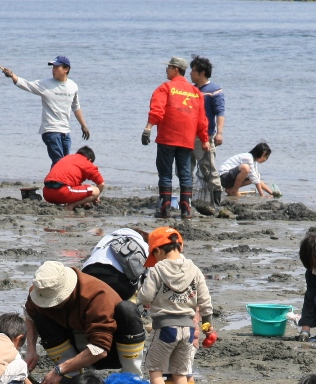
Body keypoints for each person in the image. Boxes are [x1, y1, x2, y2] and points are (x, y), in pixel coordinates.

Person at [25, 262, 147, 384]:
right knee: (40, 316)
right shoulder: (41, 290)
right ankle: (71, 375)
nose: (50, 304)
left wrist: (59, 370)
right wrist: (31, 349)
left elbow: (99, 349)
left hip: (112, 350)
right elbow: (30, 314)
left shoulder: (96, 296)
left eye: (54, 301)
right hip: (77, 343)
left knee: (128, 309)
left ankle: (131, 376)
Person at [136, 227, 214, 384]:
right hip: (188, 328)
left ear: (157, 250)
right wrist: (207, 325)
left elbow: (145, 296)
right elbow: (205, 300)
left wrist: (147, 298)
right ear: (179, 246)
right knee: (181, 372)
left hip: (165, 327)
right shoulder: (194, 269)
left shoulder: (157, 270)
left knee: (155, 369)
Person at [142, 56, 210, 219]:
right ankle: (185, 210)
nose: (166, 70)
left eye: (169, 67)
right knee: (185, 173)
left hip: (167, 138)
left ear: (176, 70)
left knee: (165, 173)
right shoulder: (196, 93)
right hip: (186, 140)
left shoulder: (165, 88)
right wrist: (205, 139)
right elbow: (202, 120)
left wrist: (148, 127)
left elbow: (158, 110)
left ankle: (165, 209)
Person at [1, 55, 90, 166]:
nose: (53, 70)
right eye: (53, 67)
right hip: (51, 130)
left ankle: (54, 183)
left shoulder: (73, 86)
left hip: (65, 131)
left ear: (66, 69)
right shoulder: (45, 84)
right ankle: (56, 183)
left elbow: (76, 106)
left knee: (65, 163)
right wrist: (12, 75)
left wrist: (83, 125)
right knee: (59, 162)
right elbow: (26, 85)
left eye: (57, 67)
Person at [189, 56, 225, 207]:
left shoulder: (214, 90)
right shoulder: (191, 89)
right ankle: (188, 201)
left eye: (193, 71)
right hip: (187, 136)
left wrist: (219, 133)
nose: (190, 73)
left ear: (202, 73)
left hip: (204, 136)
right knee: (185, 169)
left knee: (208, 169)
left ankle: (216, 203)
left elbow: (220, 113)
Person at [80, 228, 149, 301]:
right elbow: (148, 275)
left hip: (87, 276)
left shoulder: (105, 239)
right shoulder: (142, 244)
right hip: (116, 282)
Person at [42, 146, 104, 210]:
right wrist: (95, 197)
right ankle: (70, 206)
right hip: (62, 193)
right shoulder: (86, 162)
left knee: (76, 187)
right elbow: (101, 184)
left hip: (46, 193)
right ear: (90, 160)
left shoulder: (66, 158)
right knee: (96, 190)